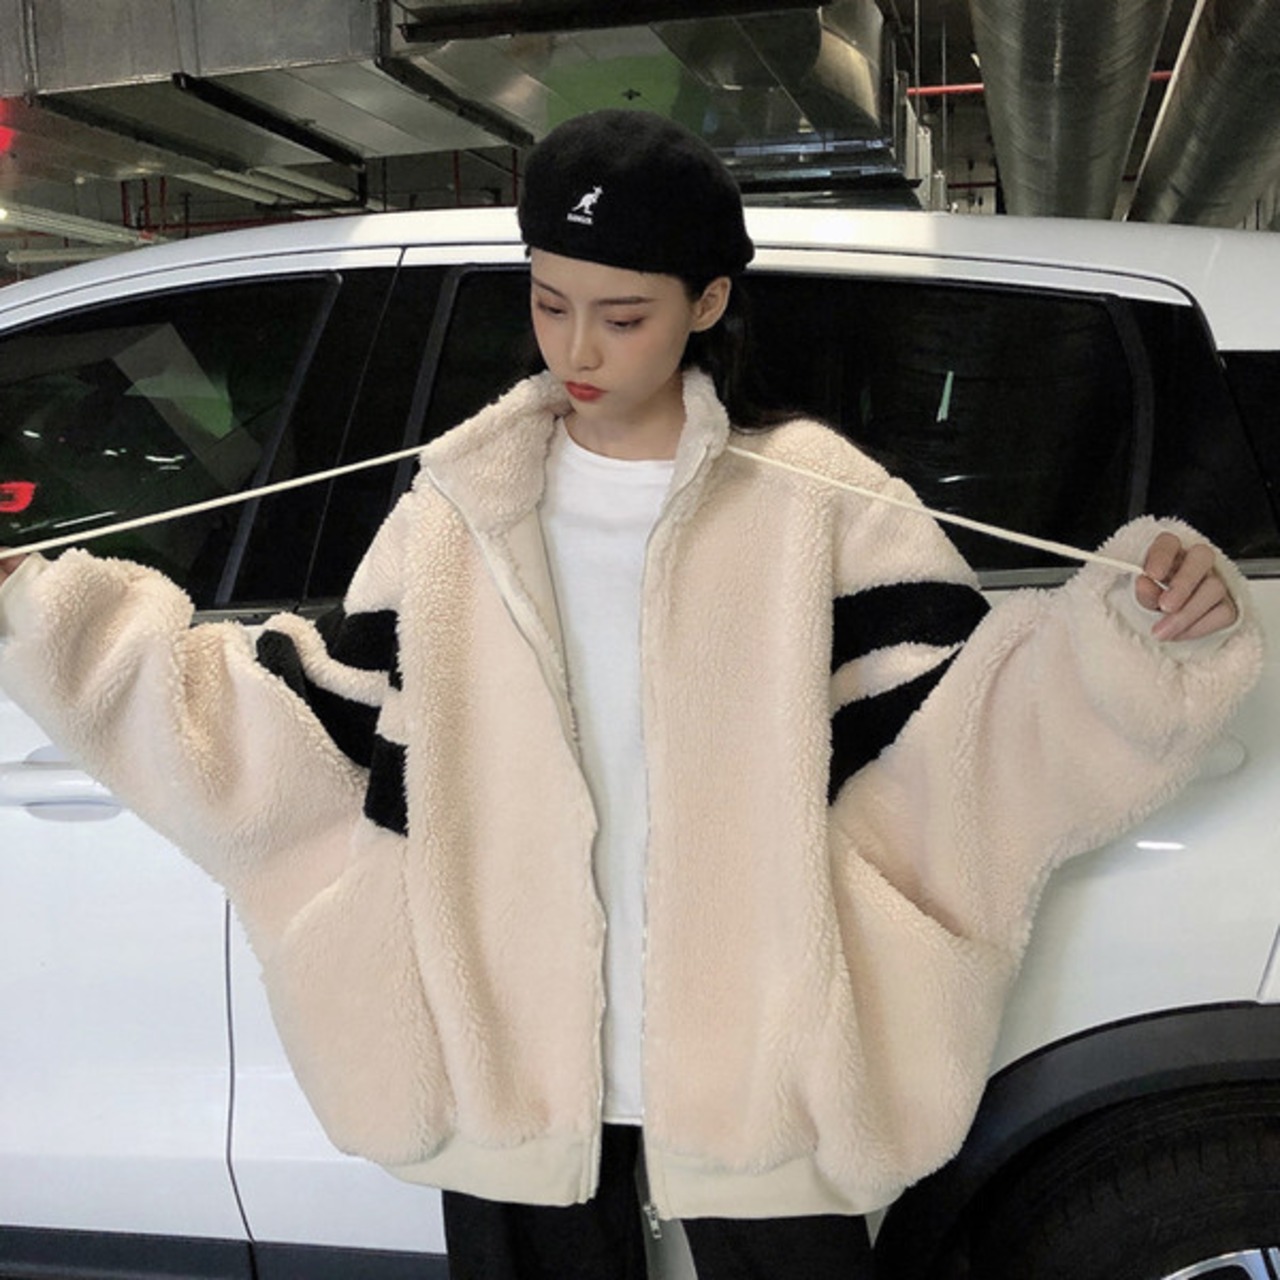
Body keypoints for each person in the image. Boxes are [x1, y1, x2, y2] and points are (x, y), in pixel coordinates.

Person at [0, 109, 1263, 1280]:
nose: (577, 349)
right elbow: (307, 725)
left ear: (706, 303)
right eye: (549, 303)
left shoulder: (815, 501)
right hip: (511, 1069)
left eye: (623, 314)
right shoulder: (460, 508)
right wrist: (47, 620)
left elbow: (963, 733)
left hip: (760, 1069)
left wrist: (1140, 637)